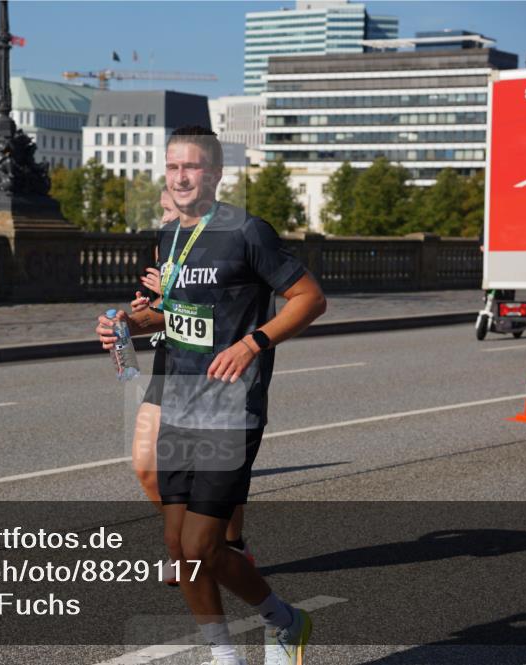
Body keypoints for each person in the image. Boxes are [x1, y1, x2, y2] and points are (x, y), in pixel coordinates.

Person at [97, 127, 326, 665]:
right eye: (173, 166)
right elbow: (174, 314)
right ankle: (224, 655)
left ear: (216, 174)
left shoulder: (247, 231)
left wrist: (252, 342)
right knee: (180, 550)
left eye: (192, 167)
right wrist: (126, 321)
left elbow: (310, 298)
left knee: (202, 546)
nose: (180, 176)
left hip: (229, 404)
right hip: (177, 396)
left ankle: (284, 622)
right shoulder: (170, 235)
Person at [130, 189, 253, 587]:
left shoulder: (224, 242)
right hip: (170, 366)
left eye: (172, 210)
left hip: (213, 367)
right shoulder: (168, 243)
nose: (167, 218)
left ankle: (223, 547)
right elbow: (162, 314)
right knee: (147, 465)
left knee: (217, 467)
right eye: (163, 211)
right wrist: (144, 312)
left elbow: (230, 309)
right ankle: (191, 548)